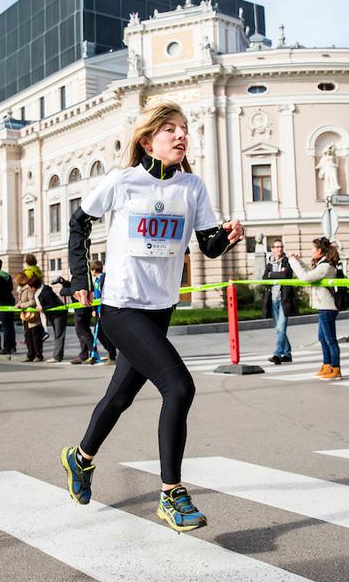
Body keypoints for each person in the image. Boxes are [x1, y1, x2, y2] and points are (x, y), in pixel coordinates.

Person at [60, 101, 242, 533]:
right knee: (179, 387)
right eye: (170, 130)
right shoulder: (123, 182)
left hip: (161, 308)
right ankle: (172, 494)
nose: (181, 136)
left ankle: (80, 458)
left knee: (120, 397)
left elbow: (208, 246)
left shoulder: (192, 188)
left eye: (184, 129)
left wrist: (227, 238)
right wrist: (80, 277)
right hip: (122, 306)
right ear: (147, 140)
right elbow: (78, 224)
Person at [288, 237, 342, 380]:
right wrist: (299, 261)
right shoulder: (322, 265)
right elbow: (310, 273)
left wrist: (293, 262)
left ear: (319, 250)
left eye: (313, 249)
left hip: (328, 307)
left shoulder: (326, 266)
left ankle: (336, 369)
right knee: (322, 338)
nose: (311, 251)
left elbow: (305, 277)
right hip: (323, 306)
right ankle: (327, 365)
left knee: (330, 339)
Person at [262, 240, 298, 364]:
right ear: (272, 249)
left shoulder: (287, 261)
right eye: (277, 247)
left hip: (284, 299)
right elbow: (264, 277)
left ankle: (277, 354)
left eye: (281, 246)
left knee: (281, 328)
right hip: (273, 299)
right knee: (278, 329)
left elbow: (286, 275)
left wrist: (273, 275)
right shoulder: (270, 263)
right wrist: (277, 274)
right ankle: (287, 353)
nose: (279, 249)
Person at [0, 258, 16, 354]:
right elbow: (11, 288)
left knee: (5, 326)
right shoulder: (7, 276)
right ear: (1, 265)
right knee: (10, 325)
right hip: (11, 301)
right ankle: (13, 346)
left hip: (3, 303)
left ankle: (7, 348)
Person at [38, 275, 68, 362]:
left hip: (58, 314)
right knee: (57, 335)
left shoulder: (45, 292)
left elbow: (54, 304)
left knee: (59, 335)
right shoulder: (41, 291)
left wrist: (43, 308)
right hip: (53, 315)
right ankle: (58, 355)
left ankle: (57, 356)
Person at [16, 272, 43, 362]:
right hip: (26, 317)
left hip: (32, 317)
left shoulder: (28, 288)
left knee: (35, 337)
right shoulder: (21, 289)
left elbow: (32, 302)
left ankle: (38, 355)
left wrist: (21, 305)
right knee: (28, 337)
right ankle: (30, 355)